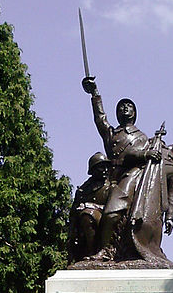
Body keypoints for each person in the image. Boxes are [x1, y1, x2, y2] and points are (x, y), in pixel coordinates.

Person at [81, 76, 161, 261]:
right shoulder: (111, 134)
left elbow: (137, 156)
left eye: (128, 106)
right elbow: (100, 119)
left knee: (111, 213)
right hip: (107, 180)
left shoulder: (141, 137)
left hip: (129, 179)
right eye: (121, 107)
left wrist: (144, 155)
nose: (124, 108)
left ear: (134, 112)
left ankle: (106, 252)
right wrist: (95, 94)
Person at [69, 152, 111, 262]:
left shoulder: (111, 186)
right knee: (86, 216)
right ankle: (89, 251)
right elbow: (73, 212)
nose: (105, 170)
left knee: (88, 215)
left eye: (106, 167)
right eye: (101, 167)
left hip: (106, 220)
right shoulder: (83, 190)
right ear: (93, 170)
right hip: (85, 222)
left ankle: (98, 251)